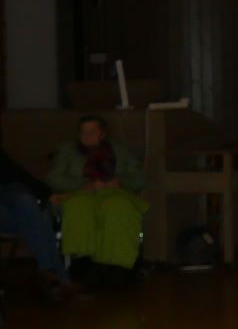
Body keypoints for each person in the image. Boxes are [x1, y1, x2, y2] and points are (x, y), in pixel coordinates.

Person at [47, 115, 149, 275]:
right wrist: (83, 184)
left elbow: (139, 178)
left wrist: (119, 182)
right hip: (79, 194)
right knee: (80, 208)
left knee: (118, 209)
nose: (87, 136)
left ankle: (119, 264)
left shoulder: (120, 151)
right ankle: (82, 262)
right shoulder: (67, 151)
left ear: (103, 133)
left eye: (92, 132)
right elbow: (53, 178)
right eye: (83, 132)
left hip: (114, 193)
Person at [0, 140, 80, 300]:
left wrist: (47, 193)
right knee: (39, 218)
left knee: (26, 203)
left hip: (12, 192)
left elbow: (15, 171)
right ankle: (57, 276)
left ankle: (50, 275)